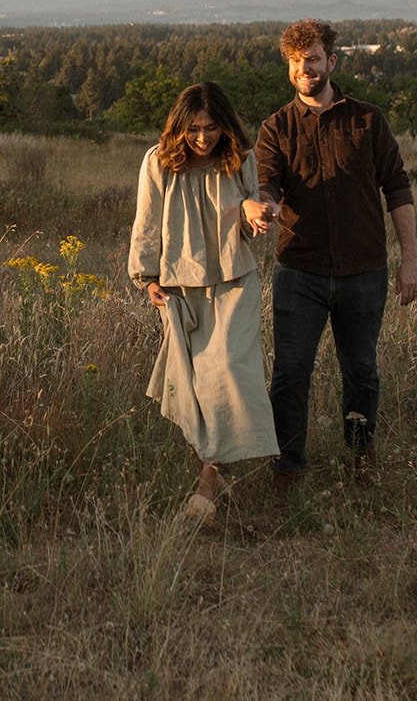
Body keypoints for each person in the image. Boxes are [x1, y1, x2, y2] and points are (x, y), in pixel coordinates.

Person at [253, 18, 417, 480]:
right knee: (289, 375)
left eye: (312, 59)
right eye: (295, 61)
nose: (304, 69)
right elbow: (266, 183)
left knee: (362, 371)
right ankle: (288, 469)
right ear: (288, 66)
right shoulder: (276, 128)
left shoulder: (368, 119)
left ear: (332, 61)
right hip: (300, 271)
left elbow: (398, 188)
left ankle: (361, 462)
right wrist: (262, 207)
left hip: (364, 270)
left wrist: (410, 259)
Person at [128, 81, 280, 523]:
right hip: (178, 284)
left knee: (228, 372)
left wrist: (257, 213)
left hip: (233, 282)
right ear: (180, 126)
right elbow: (147, 219)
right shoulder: (159, 161)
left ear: (225, 125)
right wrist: (145, 277)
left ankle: (207, 487)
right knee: (194, 386)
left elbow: (253, 219)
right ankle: (216, 475)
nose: (202, 137)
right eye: (194, 128)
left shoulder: (241, 160)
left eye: (211, 128)